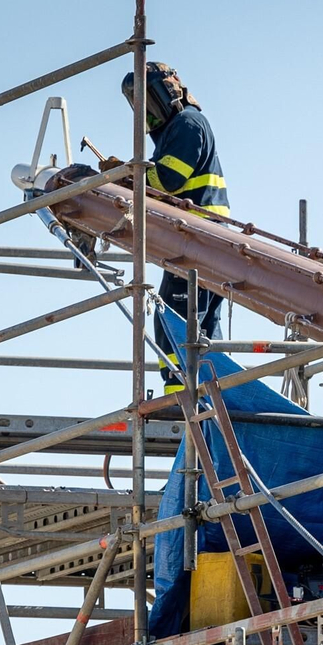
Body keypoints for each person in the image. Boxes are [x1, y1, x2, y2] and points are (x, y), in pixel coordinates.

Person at [117, 61, 231, 397]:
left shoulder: (187, 124)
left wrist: (127, 176)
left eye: (150, 103)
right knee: (201, 325)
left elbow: (167, 179)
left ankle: (183, 395)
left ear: (167, 93)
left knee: (178, 320)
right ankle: (209, 392)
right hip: (197, 238)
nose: (148, 115)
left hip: (199, 238)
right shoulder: (173, 131)